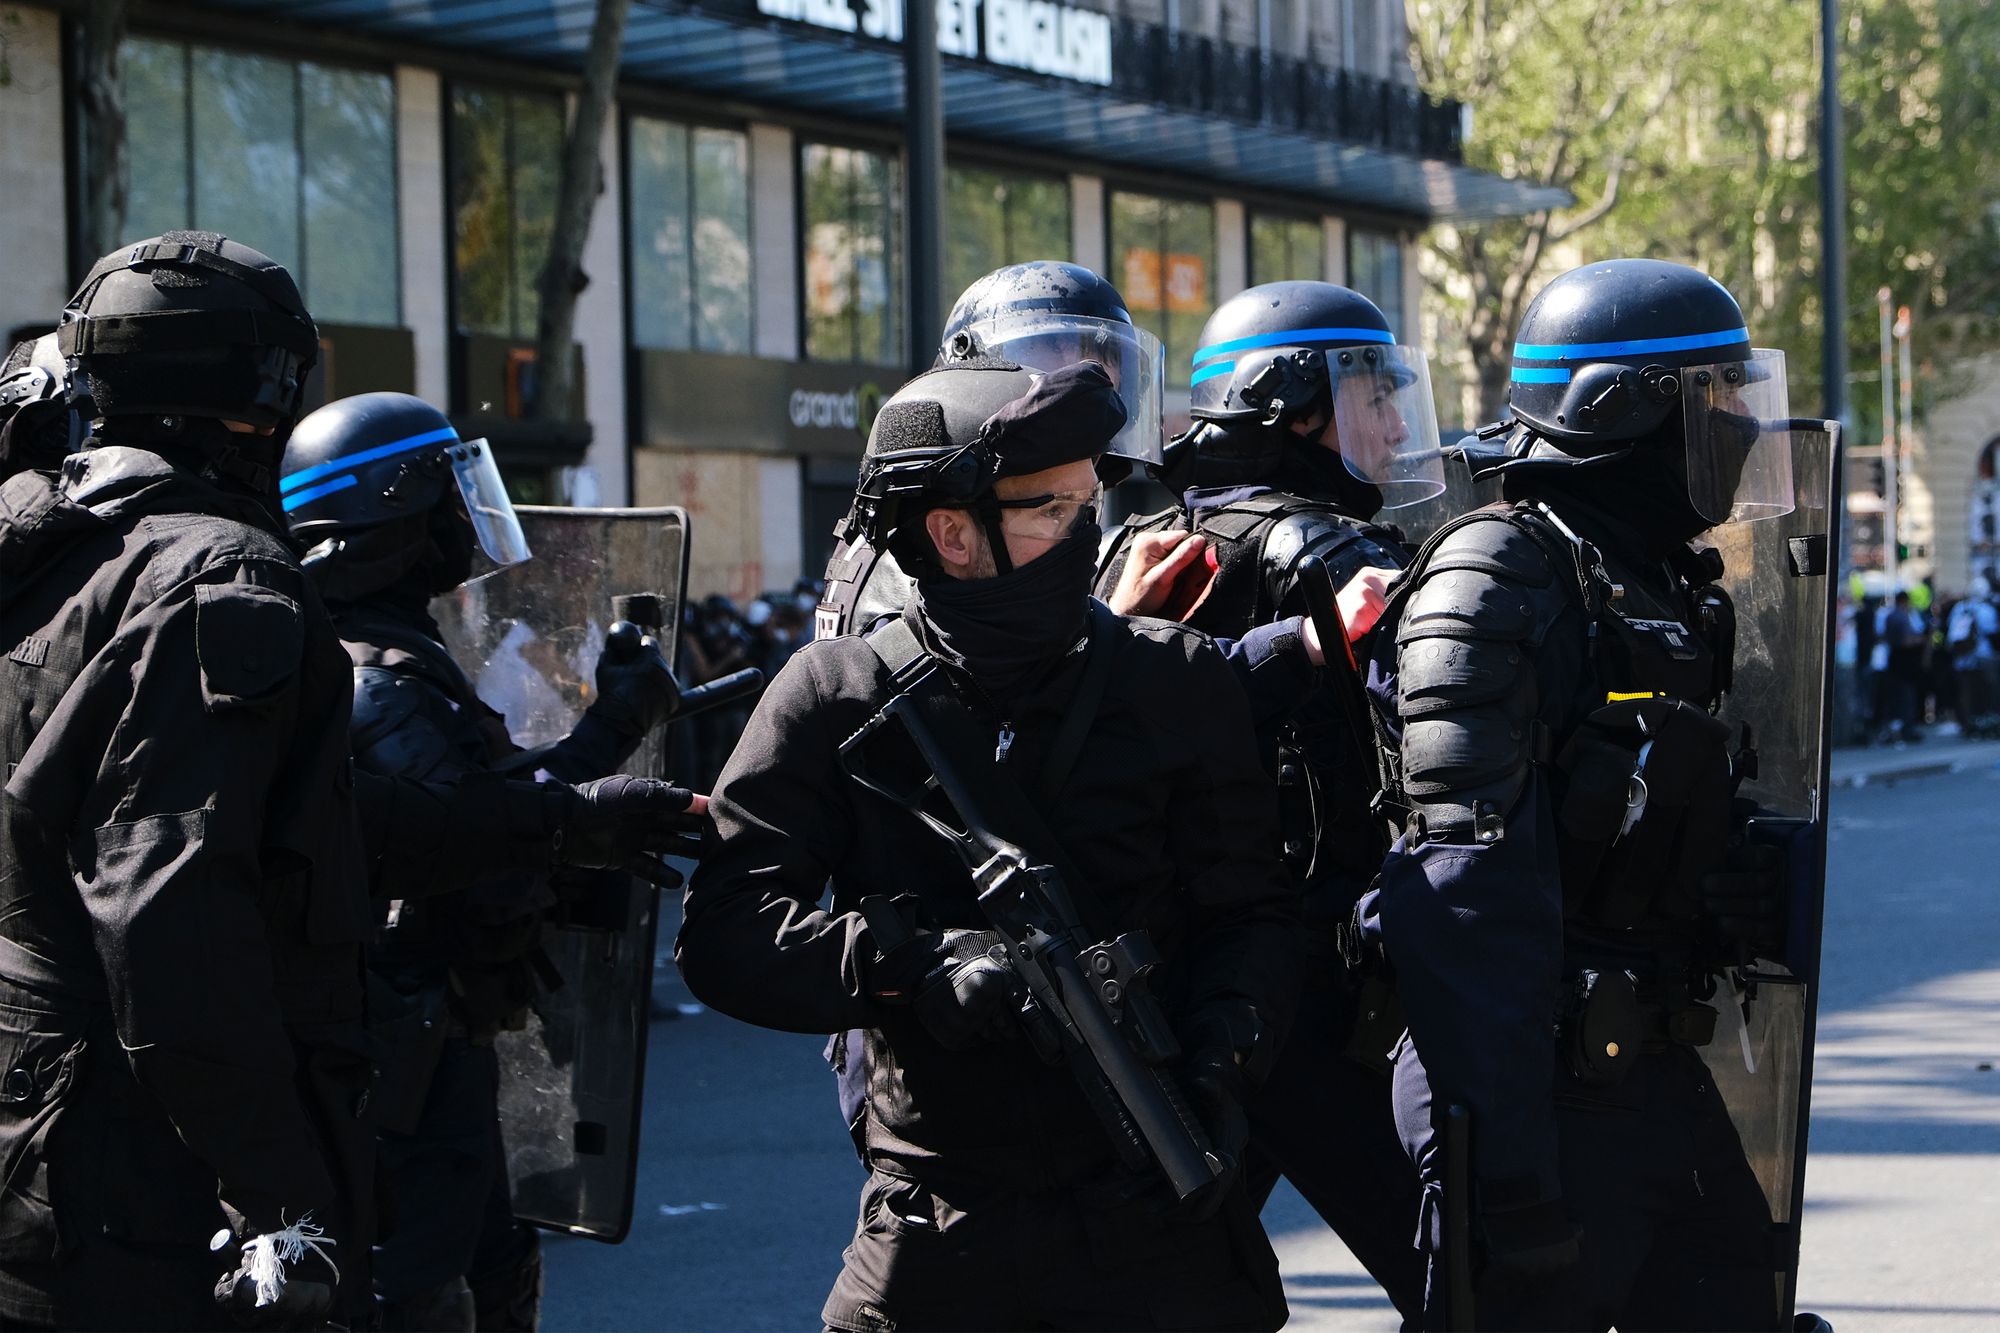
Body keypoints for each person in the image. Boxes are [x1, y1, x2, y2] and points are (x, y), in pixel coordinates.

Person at [680, 359, 1300, 1332]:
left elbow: (1252, 913)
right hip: (936, 1225)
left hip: (1149, 1212)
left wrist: (1225, 1058)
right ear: (953, 533)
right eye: (1052, 509)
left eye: (1089, 502)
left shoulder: (1174, 680)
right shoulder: (835, 693)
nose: (1085, 531)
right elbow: (724, 931)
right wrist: (909, 966)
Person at [1358, 257, 1812, 1328]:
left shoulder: (1658, 578)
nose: (1741, 421)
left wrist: (1722, 872)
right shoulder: (1494, 574)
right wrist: (1510, 1174)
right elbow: (1460, 898)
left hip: (1648, 1066)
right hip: (1527, 1086)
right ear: (1622, 407)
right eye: (1716, 393)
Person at [0, 232, 373, 1329]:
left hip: (33, 1129)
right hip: (143, 1177)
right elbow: (170, 915)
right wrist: (277, 1195)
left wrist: (548, 815)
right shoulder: (218, 572)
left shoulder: (40, 542)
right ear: (262, 385)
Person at [280, 391, 699, 1330]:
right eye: (446, 496)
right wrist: (607, 740)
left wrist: (606, 734)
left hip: (416, 1046)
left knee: (483, 1259)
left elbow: (486, 813)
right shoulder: (380, 685)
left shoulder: (368, 653)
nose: (463, 520)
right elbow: (488, 851)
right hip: (407, 1064)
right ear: (395, 512)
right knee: (434, 1288)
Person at [1094, 281, 1435, 1320]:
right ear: (1289, 407)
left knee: (1161, 1285)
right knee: (1466, 1271)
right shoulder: (1335, 554)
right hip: (1318, 989)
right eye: (1372, 397)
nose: (1392, 426)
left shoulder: (1139, 544)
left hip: (1188, 986)